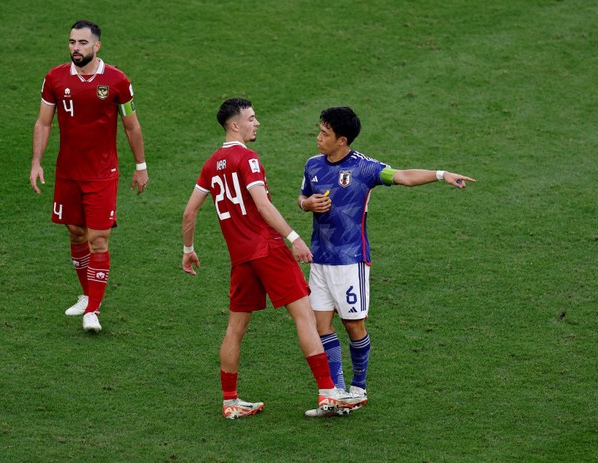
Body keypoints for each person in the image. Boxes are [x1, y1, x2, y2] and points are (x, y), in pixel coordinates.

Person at [181, 98, 366, 419]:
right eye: (252, 118)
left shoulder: (211, 164)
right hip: (267, 249)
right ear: (235, 125)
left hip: (240, 259)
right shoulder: (248, 159)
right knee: (305, 316)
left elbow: (190, 211)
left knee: (234, 330)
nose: (257, 123)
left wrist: (188, 249)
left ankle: (230, 401)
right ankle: (328, 392)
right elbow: (263, 205)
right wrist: (293, 238)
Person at [298, 106, 475, 416]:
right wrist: (307, 204)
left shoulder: (365, 168)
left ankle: (359, 388)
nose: (318, 138)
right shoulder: (312, 165)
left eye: (325, 134)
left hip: (351, 261)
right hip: (320, 259)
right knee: (320, 325)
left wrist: (441, 174)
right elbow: (302, 199)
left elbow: (403, 177)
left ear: (342, 140)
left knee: (354, 324)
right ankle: (338, 394)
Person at [30, 20, 148, 333]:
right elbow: (44, 123)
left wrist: (140, 165)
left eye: (83, 43)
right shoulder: (54, 78)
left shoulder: (117, 81)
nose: (76, 48)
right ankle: (86, 294)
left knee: (98, 238)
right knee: (75, 233)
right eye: (72, 42)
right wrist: (36, 162)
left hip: (101, 175)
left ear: (97, 46)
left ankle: (92, 310)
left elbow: (131, 125)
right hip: (68, 173)